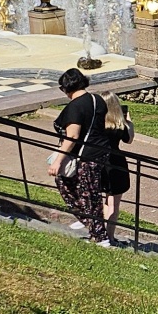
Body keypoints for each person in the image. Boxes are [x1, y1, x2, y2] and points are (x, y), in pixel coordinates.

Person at [49, 68, 116, 244]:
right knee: (87, 192)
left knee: (87, 194)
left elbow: (72, 136)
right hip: (100, 152)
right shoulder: (97, 100)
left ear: (66, 87)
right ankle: (94, 227)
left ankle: (99, 236)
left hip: (85, 156)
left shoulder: (75, 106)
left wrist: (57, 161)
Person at [97, 91, 134, 239]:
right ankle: (109, 236)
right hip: (116, 163)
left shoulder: (97, 125)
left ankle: (100, 234)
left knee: (104, 202)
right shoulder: (119, 126)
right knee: (113, 203)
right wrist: (129, 123)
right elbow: (129, 139)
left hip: (99, 162)